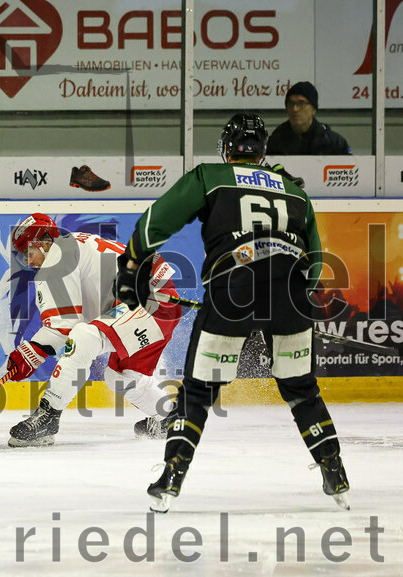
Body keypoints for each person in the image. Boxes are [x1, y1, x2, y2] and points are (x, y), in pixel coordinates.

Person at [115, 113, 349, 512]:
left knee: (199, 392)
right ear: (262, 152)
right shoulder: (294, 190)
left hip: (232, 289)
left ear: (226, 149)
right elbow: (313, 265)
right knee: (301, 389)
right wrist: (288, 308)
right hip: (291, 295)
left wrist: (133, 262)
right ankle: (335, 472)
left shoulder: (211, 176)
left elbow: (158, 220)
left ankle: (171, 477)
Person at [5, 214, 182, 447]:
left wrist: (29, 353)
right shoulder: (72, 245)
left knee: (84, 337)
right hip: (155, 301)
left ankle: (48, 416)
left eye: (29, 252)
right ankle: (168, 418)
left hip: (149, 301)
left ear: (45, 241)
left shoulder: (57, 255)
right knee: (120, 377)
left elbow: (64, 325)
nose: (29, 262)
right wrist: (31, 352)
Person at [266, 81, 351, 156]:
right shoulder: (275, 142)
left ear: (313, 109)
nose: (295, 109)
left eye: (301, 103)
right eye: (291, 103)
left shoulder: (334, 143)